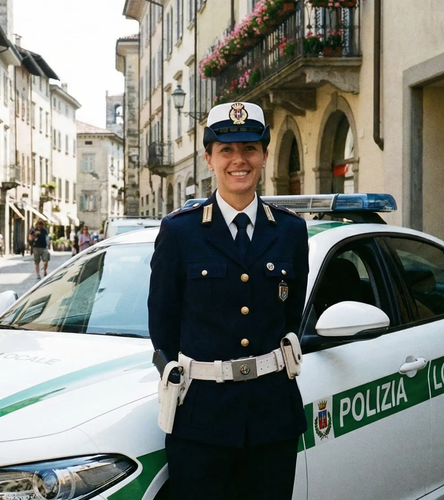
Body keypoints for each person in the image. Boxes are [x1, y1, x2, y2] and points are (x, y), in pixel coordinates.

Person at [147, 102, 309, 500]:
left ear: (265, 156)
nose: (239, 160)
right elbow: (163, 326)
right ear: (209, 160)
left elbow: (292, 316)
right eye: (226, 150)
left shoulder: (290, 230)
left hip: (272, 416)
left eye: (250, 148)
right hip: (201, 419)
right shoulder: (180, 232)